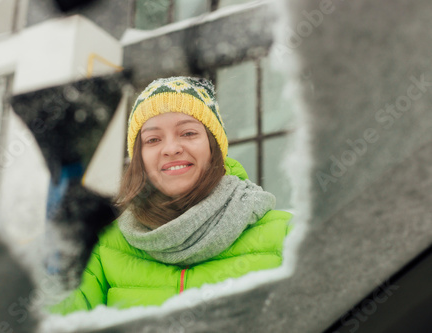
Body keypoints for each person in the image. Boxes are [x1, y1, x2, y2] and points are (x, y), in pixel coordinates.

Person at [50, 76, 293, 314]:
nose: (171, 149)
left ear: (213, 147)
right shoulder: (104, 248)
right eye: (153, 139)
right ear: (140, 157)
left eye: (188, 133)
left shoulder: (285, 234)